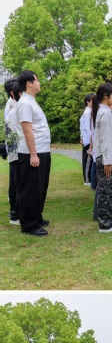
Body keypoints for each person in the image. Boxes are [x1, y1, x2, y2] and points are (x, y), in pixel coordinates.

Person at [16, 70, 51, 237]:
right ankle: (29, 225)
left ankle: (36, 217)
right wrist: (33, 154)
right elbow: (27, 131)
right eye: (37, 80)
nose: (39, 83)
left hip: (42, 150)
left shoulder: (31, 101)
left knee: (40, 187)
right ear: (29, 83)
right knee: (31, 189)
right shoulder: (24, 103)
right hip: (33, 153)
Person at [92, 83, 112, 233]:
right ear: (106, 96)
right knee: (106, 190)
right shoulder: (104, 114)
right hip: (107, 157)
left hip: (109, 156)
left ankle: (110, 219)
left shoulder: (105, 112)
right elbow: (105, 139)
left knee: (110, 189)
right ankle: (105, 223)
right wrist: (108, 161)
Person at [4, 80, 21, 226]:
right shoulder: (12, 107)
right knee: (15, 182)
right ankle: (15, 212)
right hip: (15, 149)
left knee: (15, 181)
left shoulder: (13, 105)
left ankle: (15, 210)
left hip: (14, 148)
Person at [80, 94, 94, 185]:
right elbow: (87, 128)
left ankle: (89, 179)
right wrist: (91, 140)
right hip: (88, 140)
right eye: (92, 100)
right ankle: (87, 180)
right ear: (88, 102)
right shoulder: (88, 113)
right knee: (88, 160)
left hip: (87, 139)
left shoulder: (89, 112)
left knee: (90, 160)